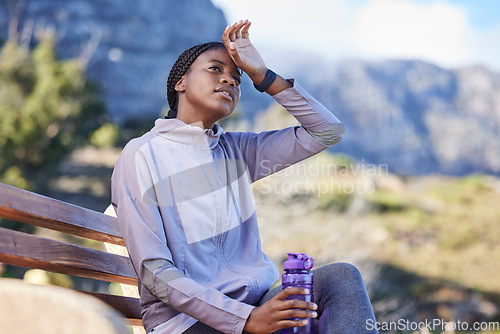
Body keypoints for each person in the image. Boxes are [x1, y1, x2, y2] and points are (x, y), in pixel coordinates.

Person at [111, 20, 378, 334]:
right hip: (191, 323)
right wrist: (244, 319)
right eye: (215, 69)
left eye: (236, 79)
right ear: (181, 83)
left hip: (259, 305)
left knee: (340, 279)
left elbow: (327, 131)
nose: (229, 80)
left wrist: (261, 75)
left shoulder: (237, 151)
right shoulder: (142, 155)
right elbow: (155, 273)